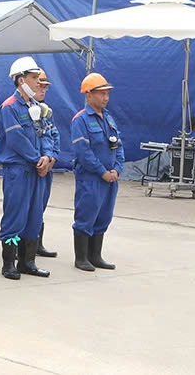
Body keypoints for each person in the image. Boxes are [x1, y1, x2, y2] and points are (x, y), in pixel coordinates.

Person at [0, 56, 52, 280]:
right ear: (20, 80)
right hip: (19, 170)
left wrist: (47, 156)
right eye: (33, 77)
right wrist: (37, 158)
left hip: (37, 169)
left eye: (38, 78)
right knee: (14, 218)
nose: (38, 82)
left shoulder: (37, 107)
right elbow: (16, 138)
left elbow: (46, 132)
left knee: (34, 216)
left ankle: (27, 261)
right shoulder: (9, 107)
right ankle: (9, 263)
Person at [71, 73, 123, 272]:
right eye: (101, 93)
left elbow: (119, 146)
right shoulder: (81, 120)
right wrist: (102, 172)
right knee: (86, 216)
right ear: (88, 94)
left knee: (103, 217)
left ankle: (95, 255)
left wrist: (117, 170)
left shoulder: (108, 118)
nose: (106, 97)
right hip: (91, 178)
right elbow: (83, 152)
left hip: (110, 179)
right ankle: (81, 258)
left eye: (107, 93)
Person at [34, 70, 59, 258]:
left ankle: (36, 243)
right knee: (21, 212)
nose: (42, 89)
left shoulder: (46, 112)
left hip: (46, 167)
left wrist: (51, 158)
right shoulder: (19, 109)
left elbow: (53, 136)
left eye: (45, 87)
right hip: (30, 168)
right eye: (39, 85)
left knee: (40, 207)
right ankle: (16, 246)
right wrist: (40, 160)